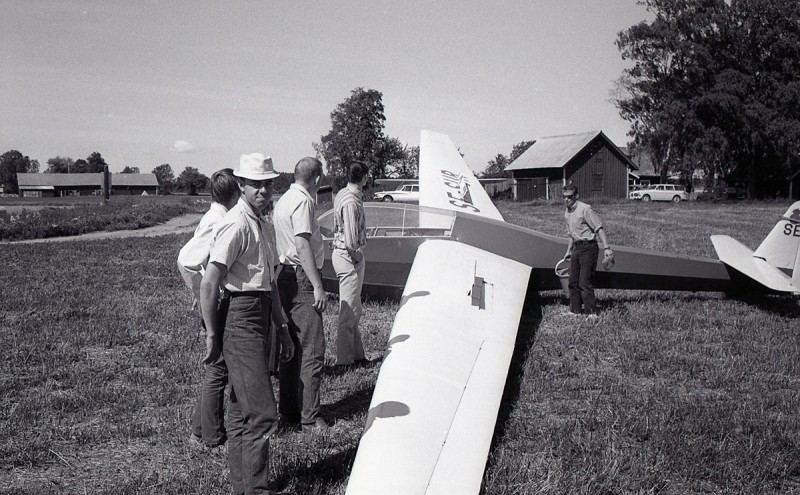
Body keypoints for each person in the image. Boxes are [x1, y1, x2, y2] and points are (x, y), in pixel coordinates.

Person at [200, 153, 295, 495]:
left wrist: (282, 328)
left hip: (261, 312)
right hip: (239, 319)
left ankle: (243, 486)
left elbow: (268, 282)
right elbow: (210, 282)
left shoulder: (264, 224)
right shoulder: (237, 223)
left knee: (242, 409)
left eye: (267, 184)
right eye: (255, 184)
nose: (263, 191)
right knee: (265, 414)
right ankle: (256, 488)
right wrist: (212, 333)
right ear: (241, 185)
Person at [177, 168, 239, 449]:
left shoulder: (213, 216)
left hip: (214, 297)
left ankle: (199, 431)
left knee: (217, 367)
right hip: (219, 300)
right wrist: (202, 290)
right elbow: (188, 260)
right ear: (235, 193)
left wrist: (200, 288)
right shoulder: (220, 220)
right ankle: (212, 436)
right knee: (218, 369)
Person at [273, 156, 329, 433]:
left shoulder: (283, 200)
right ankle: (310, 417)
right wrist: (317, 285)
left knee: (292, 347)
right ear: (317, 179)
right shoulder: (305, 201)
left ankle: (290, 410)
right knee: (313, 349)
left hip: (283, 274)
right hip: (300, 276)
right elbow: (302, 243)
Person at [331, 162, 369, 366]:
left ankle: (357, 355)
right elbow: (351, 239)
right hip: (348, 255)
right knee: (348, 311)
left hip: (344, 253)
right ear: (363, 177)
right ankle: (344, 360)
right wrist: (357, 257)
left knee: (354, 307)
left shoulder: (344, 194)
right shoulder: (351, 201)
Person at [562, 181, 613, 316]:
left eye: (570, 196)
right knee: (573, 281)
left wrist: (607, 248)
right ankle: (575, 311)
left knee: (584, 282)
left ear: (576, 196)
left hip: (589, 247)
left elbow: (599, 228)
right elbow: (570, 234)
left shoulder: (585, 209)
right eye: (564, 197)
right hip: (577, 248)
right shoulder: (567, 213)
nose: (567, 199)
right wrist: (568, 251)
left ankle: (592, 313)